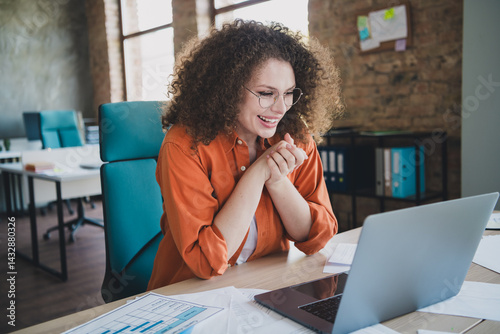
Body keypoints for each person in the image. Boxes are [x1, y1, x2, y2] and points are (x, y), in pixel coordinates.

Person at [147, 20, 344, 290]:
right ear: (226, 89)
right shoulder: (184, 145)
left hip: (265, 286)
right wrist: (259, 172)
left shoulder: (296, 138)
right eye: (265, 93)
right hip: (191, 293)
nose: (280, 108)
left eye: (288, 94)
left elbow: (317, 238)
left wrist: (277, 181)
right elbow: (206, 261)